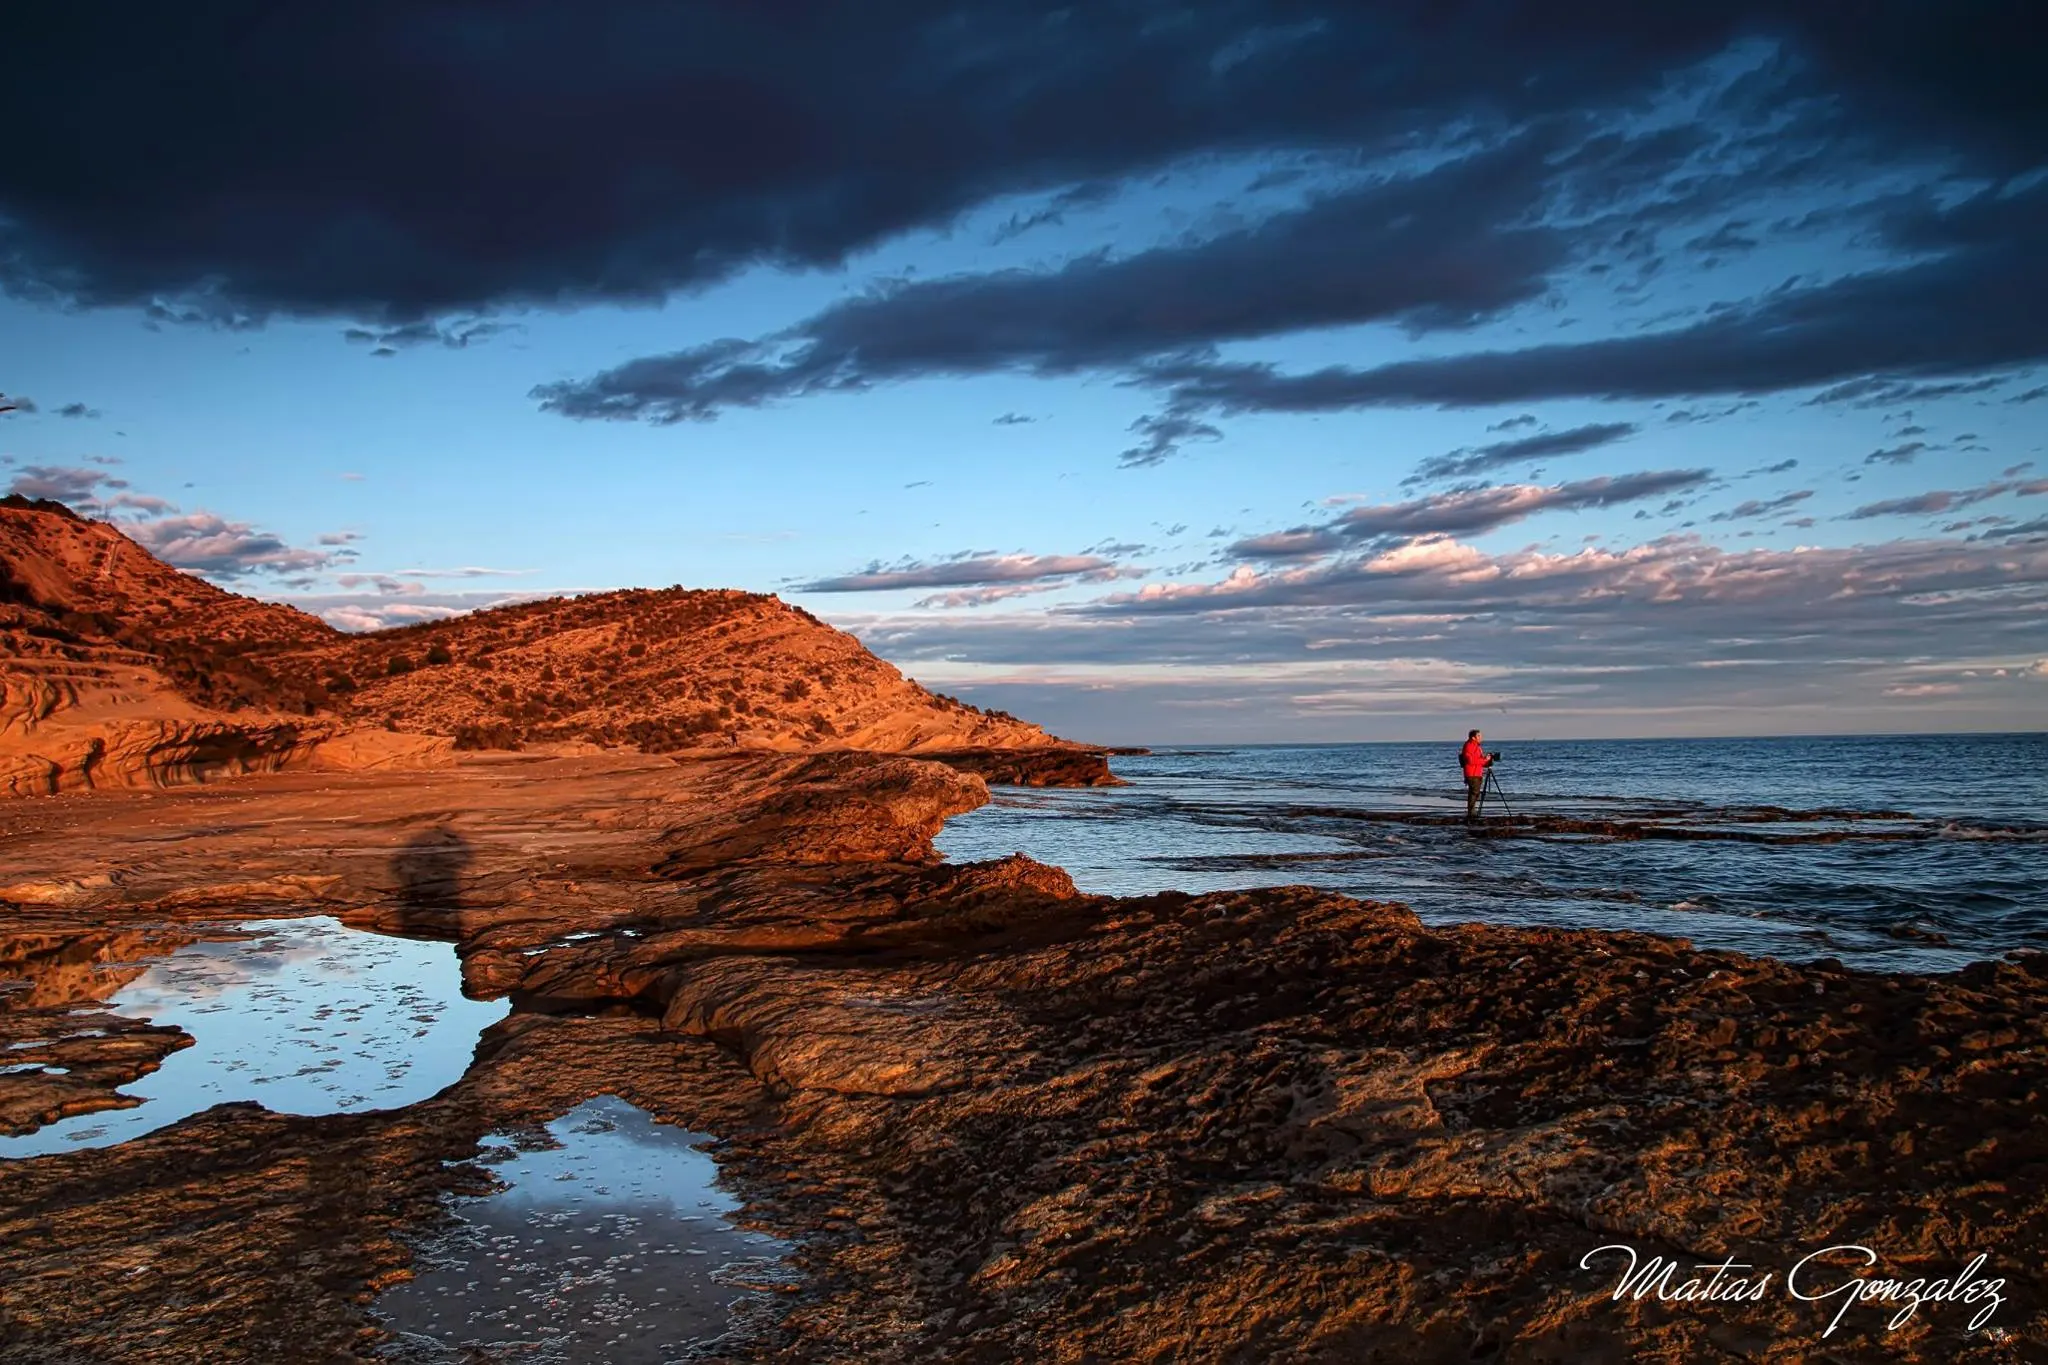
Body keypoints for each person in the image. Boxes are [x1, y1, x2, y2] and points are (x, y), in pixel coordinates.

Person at [1460, 728, 1498, 823]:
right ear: (1473, 737)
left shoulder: (1477, 746)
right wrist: (1485, 760)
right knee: (1474, 793)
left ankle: (1472, 811)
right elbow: (1471, 761)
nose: (1481, 737)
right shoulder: (1469, 746)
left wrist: (1487, 760)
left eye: (1480, 736)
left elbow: (1477, 759)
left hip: (1477, 772)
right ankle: (1471, 812)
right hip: (1472, 773)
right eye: (1479, 736)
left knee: (1475, 793)